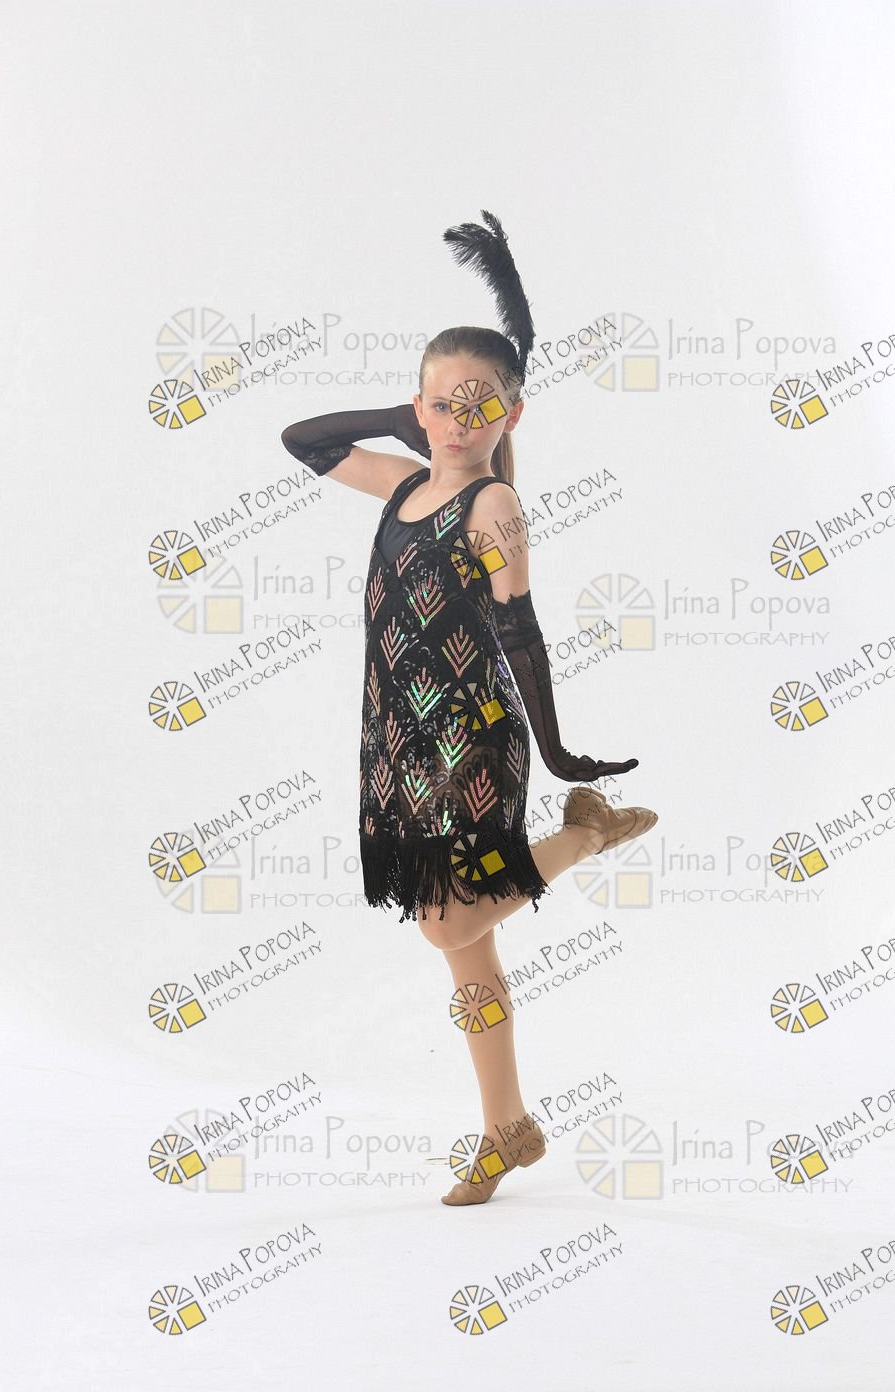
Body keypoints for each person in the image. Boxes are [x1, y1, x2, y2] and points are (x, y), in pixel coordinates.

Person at [281, 213, 658, 1206]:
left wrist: (559, 750)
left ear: (511, 415)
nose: (458, 419)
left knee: (447, 923)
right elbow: (303, 440)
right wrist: (409, 417)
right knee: (461, 944)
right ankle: (505, 1128)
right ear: (420, 409)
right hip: (398, 734)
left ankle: (582, 834)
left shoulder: (492, 507)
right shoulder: (399, 483)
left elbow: (520, 633)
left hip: (469, 734)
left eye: (480, 404)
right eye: (442, 404)